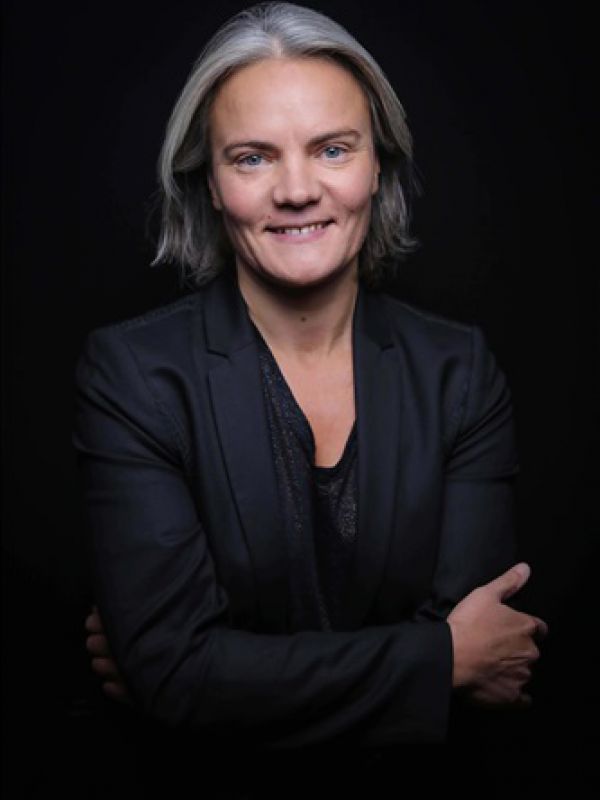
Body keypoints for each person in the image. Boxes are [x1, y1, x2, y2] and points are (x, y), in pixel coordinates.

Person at [74, 1, 547, 789]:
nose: (297, 190)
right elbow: (179, 675)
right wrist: (439, 660)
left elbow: (489, 659)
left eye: (332, 148)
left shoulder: (458, 371)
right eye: (252, 158)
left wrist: (210, 677)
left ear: (378, 165)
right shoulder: (133, 374)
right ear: (210, 182)